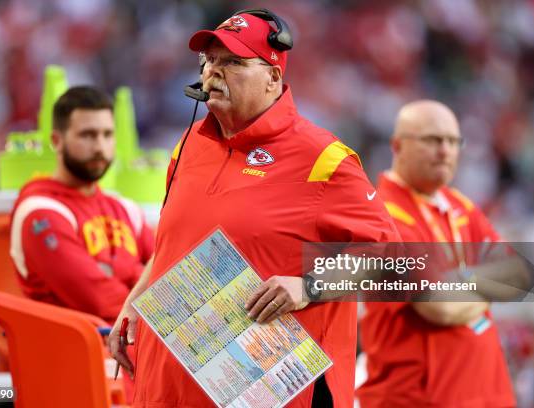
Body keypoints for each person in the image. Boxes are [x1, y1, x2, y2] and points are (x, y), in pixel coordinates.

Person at [109, 10, 400, 408]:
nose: (214, 71)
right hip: (170, 385)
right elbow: (174, 243)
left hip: (272, 392)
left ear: (273, 77)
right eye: (210, 60)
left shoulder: (323, 158)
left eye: (233, 63)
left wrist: (307, 287)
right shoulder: (190, 142)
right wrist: (136, 300)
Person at [356, 100, 516, 407]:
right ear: (397, 145)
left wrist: (462, 279)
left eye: (454, 141)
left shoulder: (458, 204)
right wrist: (485, 284)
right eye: (433, 140)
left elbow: (516, 273)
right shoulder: (381, 216)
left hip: (485, 393)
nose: (446, 151)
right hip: (417, 398)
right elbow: (439, 306)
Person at [9, 86, 155, 325]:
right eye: (88, 135)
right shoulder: (39, 211)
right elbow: (98, 299)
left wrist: (116, 275)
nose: (100, 147)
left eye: (107, 135)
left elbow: (165, 274)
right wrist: (134, 275)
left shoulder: (126, 209)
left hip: (133, 349)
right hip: (73, 355)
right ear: (57, 141)